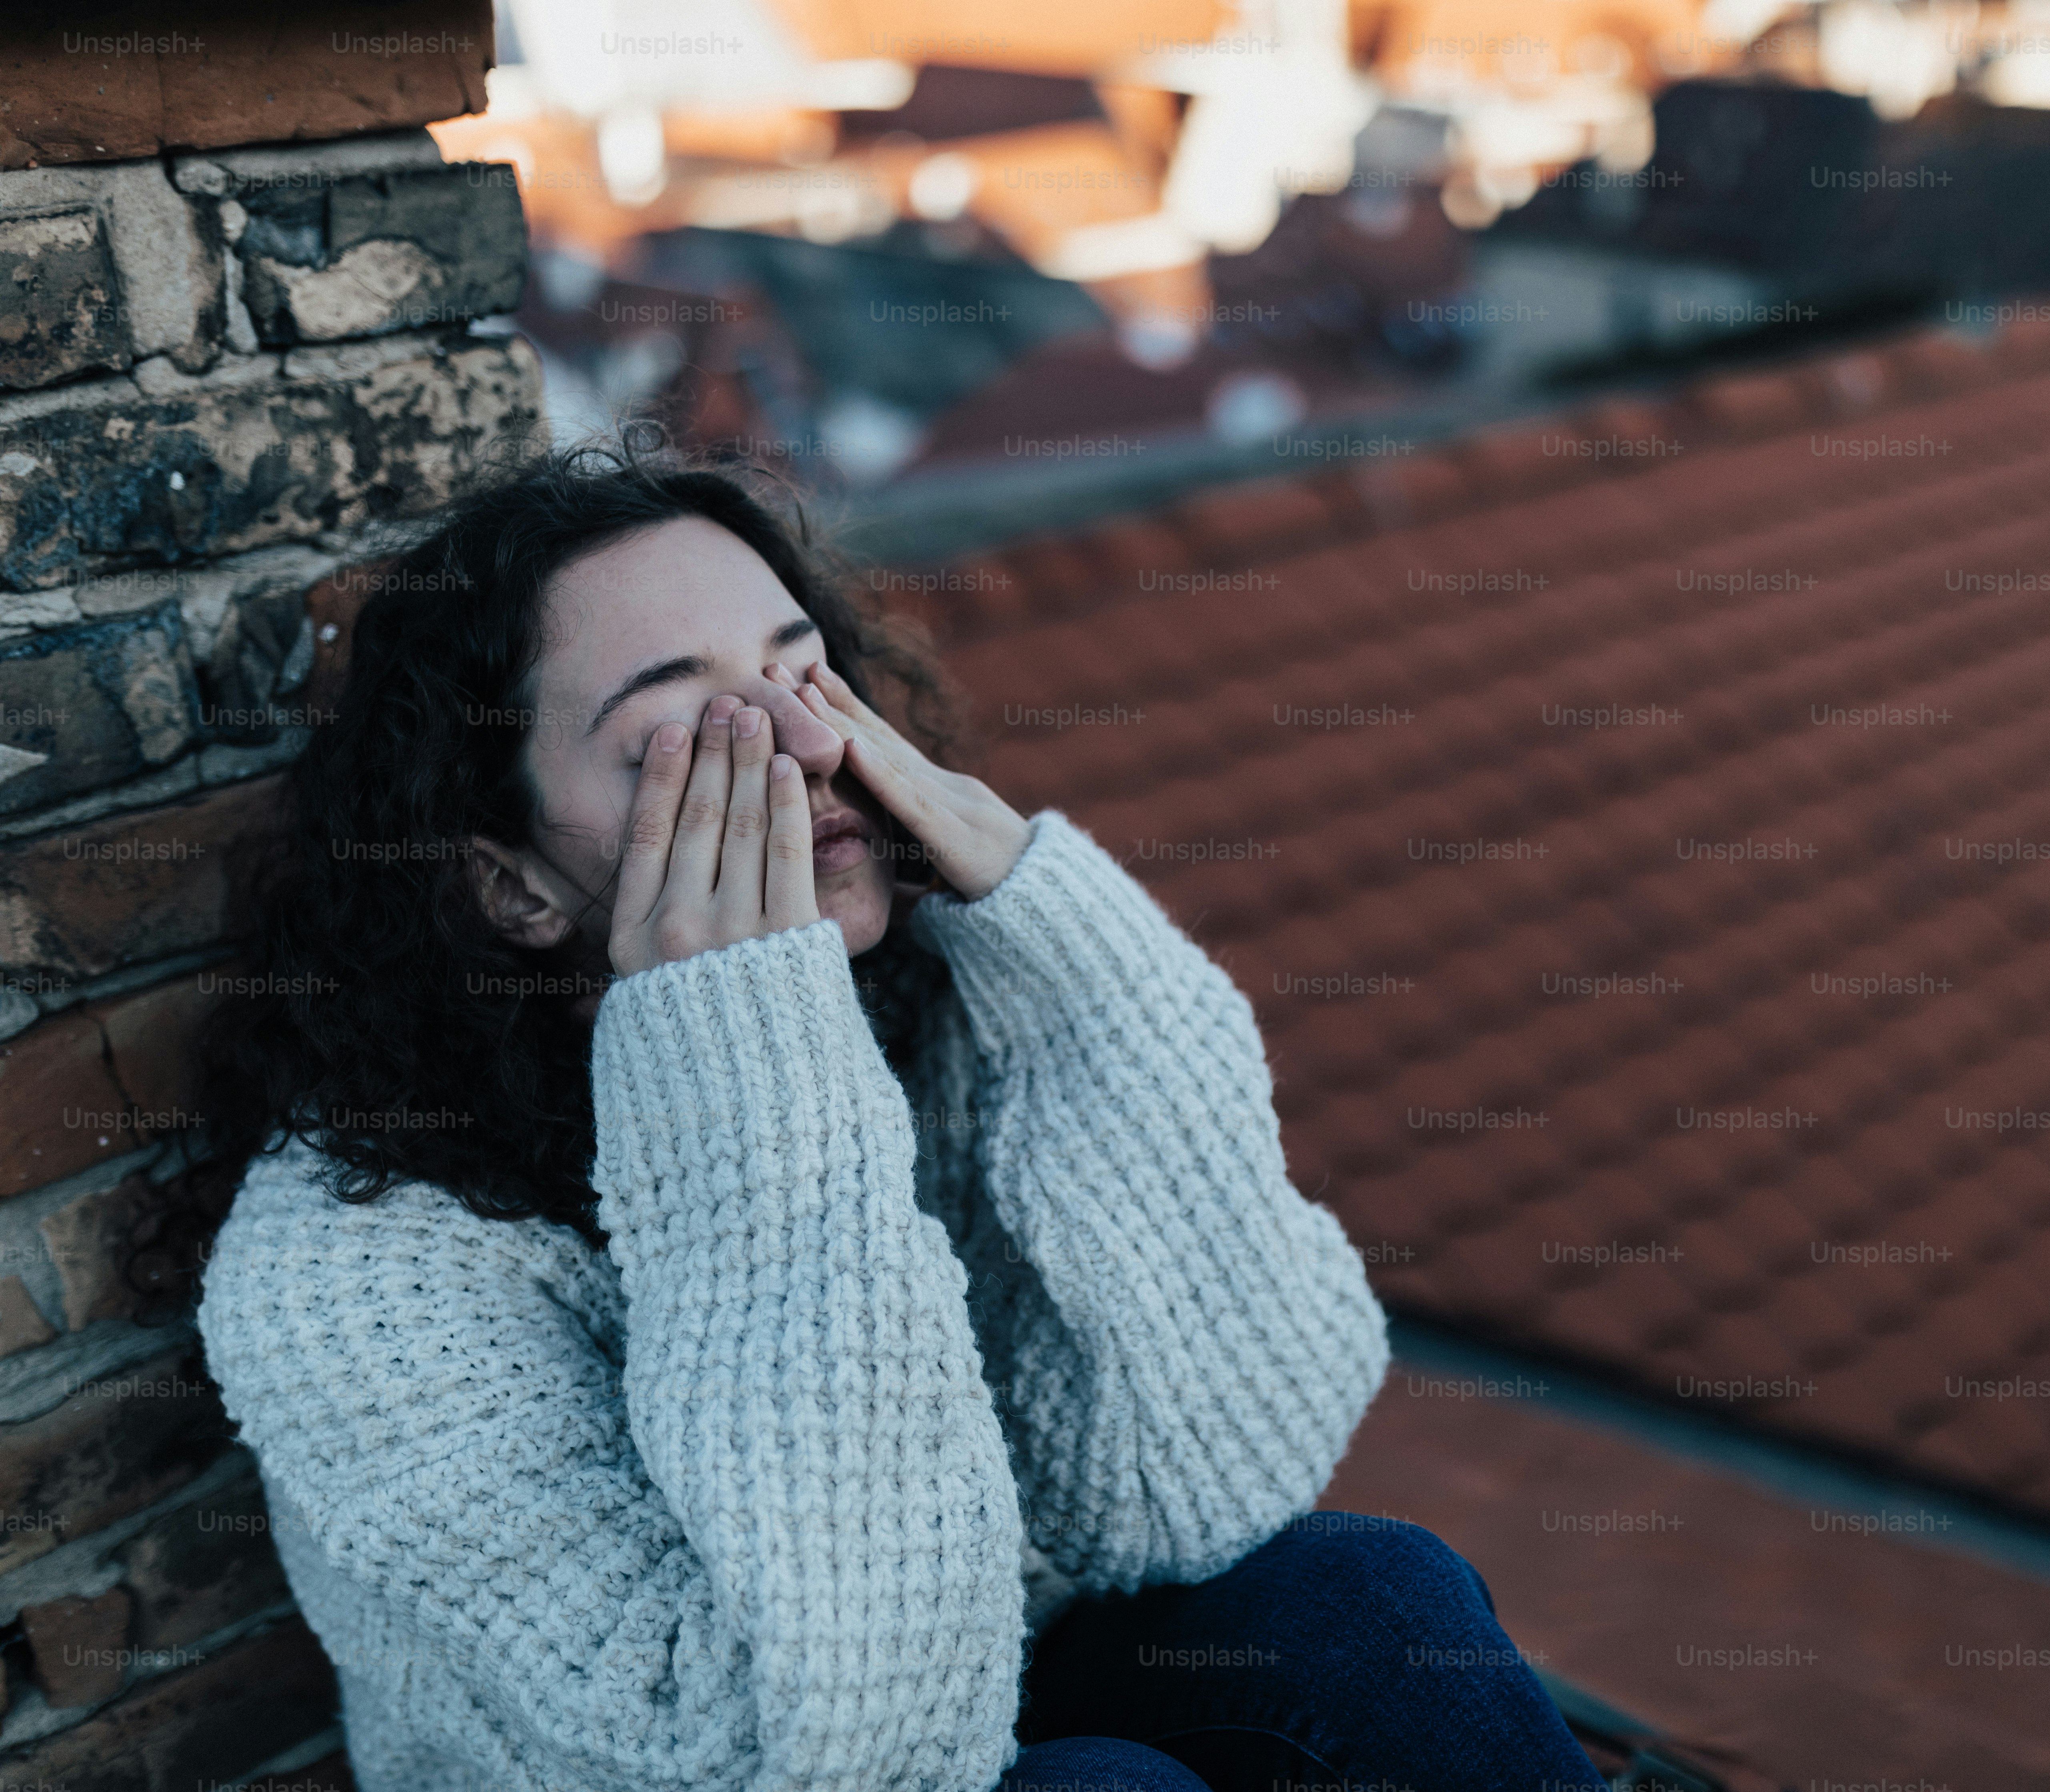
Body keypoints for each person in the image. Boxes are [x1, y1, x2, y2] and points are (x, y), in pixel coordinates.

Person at [191, 444, 1612, 1792]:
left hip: (969, 1691)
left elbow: (1213, 1479)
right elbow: (811, 1756)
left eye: (806, 674)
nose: (810, 747)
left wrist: (1068, 955)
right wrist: (740, 1069)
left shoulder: (924, 1012)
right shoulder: (353, 1283)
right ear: (512, 885)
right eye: (694, 732)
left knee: (1369, 1601)